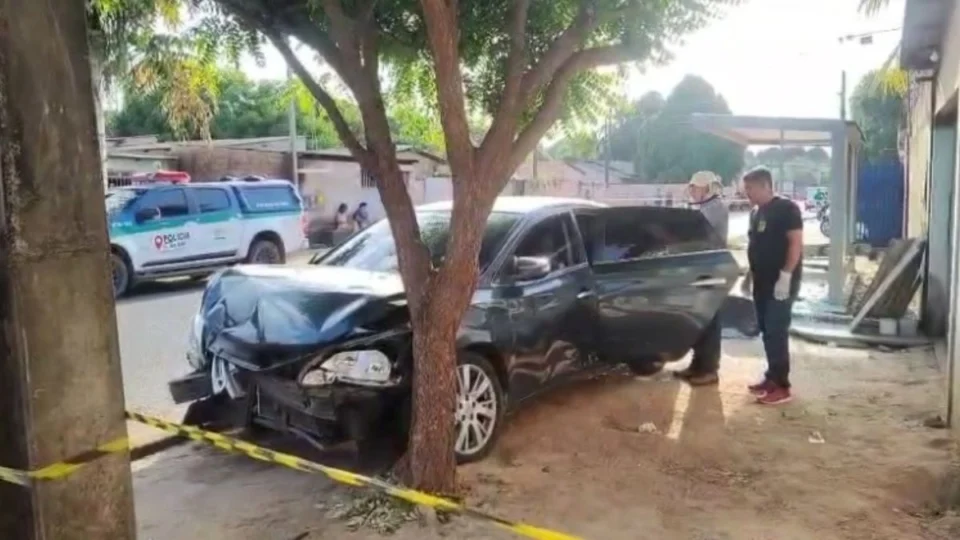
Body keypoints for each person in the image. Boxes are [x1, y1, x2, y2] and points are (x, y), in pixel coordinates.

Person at [741, 167, 803, 405]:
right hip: (761, 281)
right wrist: (749, 274)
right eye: (745, 189)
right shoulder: (756, 212)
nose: (747, 193)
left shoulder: (787, 209)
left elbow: (795, 243)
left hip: (781, 282)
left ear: (766, 185)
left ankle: (782, 386)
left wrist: (786, 275)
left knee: (777, 331)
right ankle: (772, 376)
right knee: (767, 330)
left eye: (751, 188)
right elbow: (756, 245)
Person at [674, 170, 729, 386]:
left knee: (710, 321)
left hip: (711, 269)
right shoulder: (707, 207)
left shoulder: (715, 209)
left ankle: (709, 369)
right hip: (703, 269)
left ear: (705, 188)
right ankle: (698, 365)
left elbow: (695, 235)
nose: (692, 192)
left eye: (694, 188)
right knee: (701, 319)